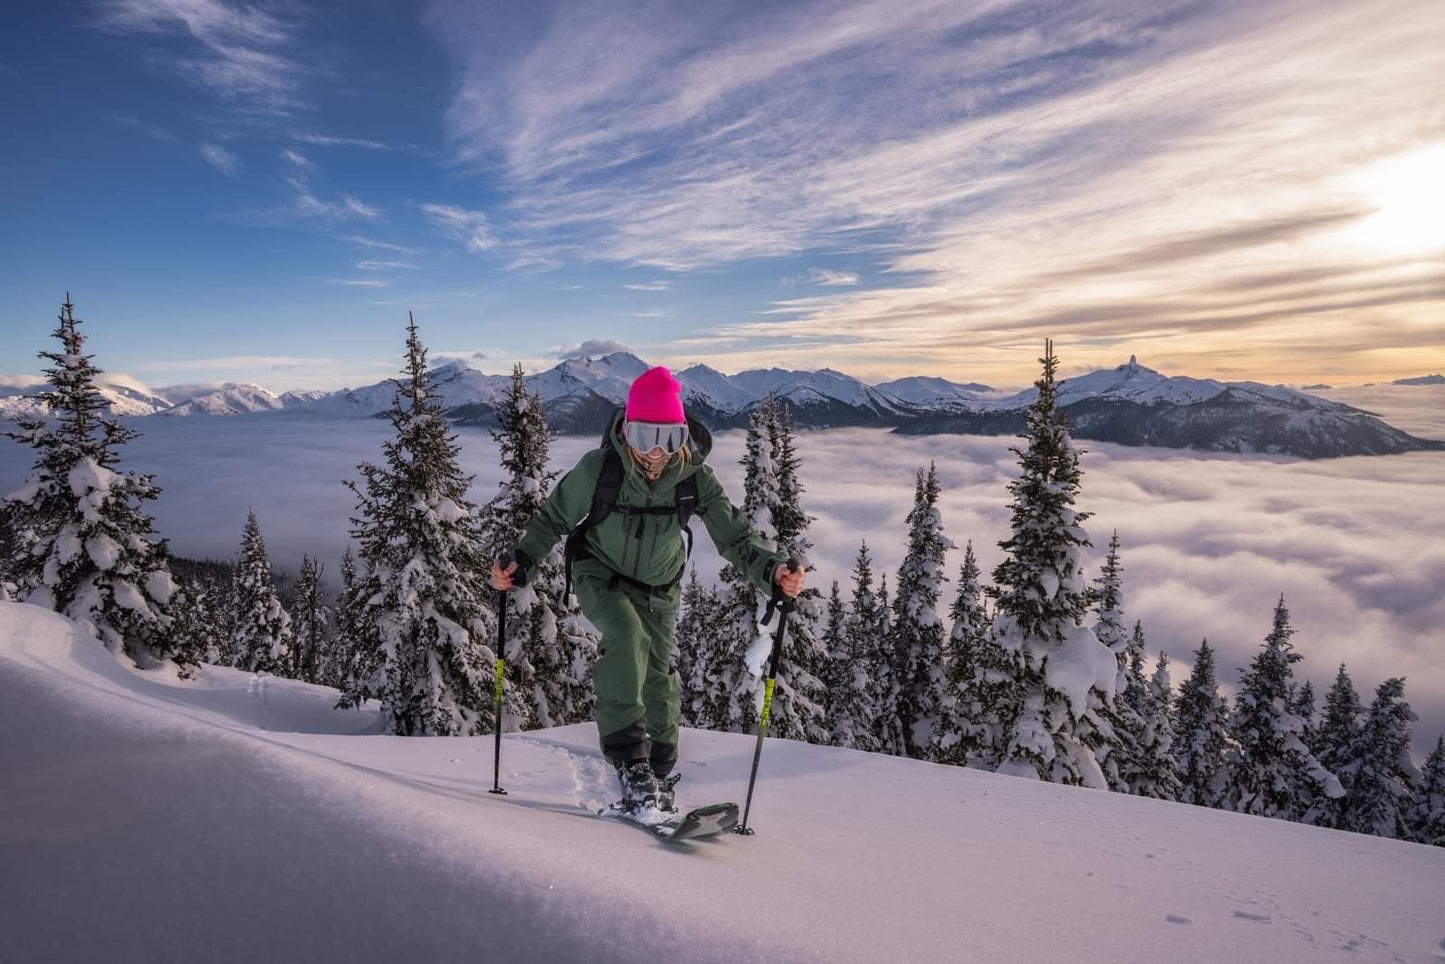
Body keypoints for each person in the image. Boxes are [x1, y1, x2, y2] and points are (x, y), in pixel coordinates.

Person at [490, 365, 804, 815]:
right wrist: (521, 561)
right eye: (643, 438)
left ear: (683, 437)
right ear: (626, 434)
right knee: (625, 636)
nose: (656, 453)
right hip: (600, 572)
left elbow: (734, 537)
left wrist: (773, 572)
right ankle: (629, 760)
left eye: (670, 439)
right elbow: (553, 519)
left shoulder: (694, 479)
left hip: (661, 585)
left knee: (660, 675)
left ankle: (658, 768)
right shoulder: (600, 470)